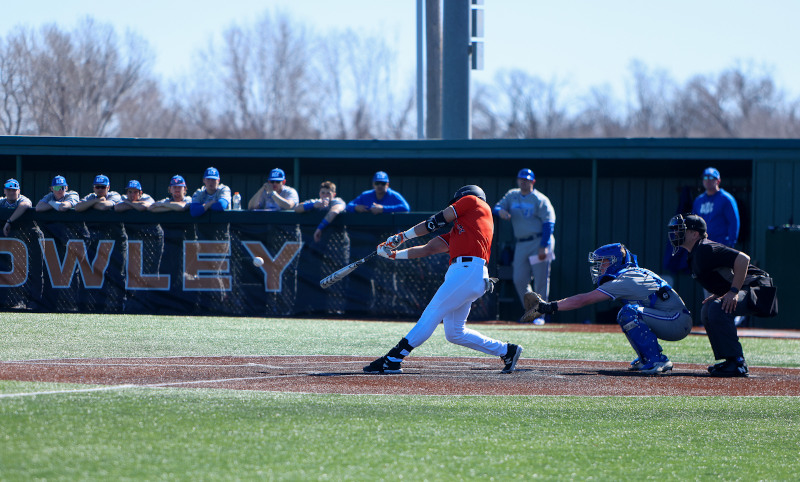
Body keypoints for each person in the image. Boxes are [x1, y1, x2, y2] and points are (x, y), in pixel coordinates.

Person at [363, 185, 523, 375]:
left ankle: (393, 359)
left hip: (467, 272)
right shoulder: (463, 231)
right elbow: (427, 249)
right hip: (467, 274)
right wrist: (393, 255)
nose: (454, 207)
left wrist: (401, 237)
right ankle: (507, 350)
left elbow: (435, 222)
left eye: (455, 204)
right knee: (455, 332)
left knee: (432, 313)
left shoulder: (472, 201)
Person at [520, 243, 692, 375]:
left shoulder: (625, 279)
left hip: (675, 320)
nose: (599, 267)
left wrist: (548, 307)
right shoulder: (632, 273)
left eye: (603, 262)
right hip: (673, 317)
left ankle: (657, 360)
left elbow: (584, 299)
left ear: (614, 261)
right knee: (629, 312)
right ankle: (647, 358)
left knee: (629, 313)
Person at [668, 213, 774, 377]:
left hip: (759, 288)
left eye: (681, 229)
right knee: (708, 309)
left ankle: (738, 362)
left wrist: (733, 292)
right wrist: (721, 293)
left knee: (718, 308)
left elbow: (743, 259)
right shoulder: (695, 253)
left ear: (694, 234)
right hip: (748, 287)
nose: (676, 233)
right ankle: (729, 360)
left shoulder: (705, 248)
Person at [494, 168, 556, 325]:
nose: (523, 182)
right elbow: (497, 207)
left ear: (532, 181)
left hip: (539, 240)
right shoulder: (512, 195)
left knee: (541, 279)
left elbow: (549, 223)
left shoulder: (539, 199)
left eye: (527, 180)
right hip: (521, 242)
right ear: (517, 180)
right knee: (519, 279)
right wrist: (501, 212)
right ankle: (532, 311)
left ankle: (541, 315)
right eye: (521, 179)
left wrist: (544, 245)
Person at [692, 167, 740, 247]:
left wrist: (731, 242)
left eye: (711, 178)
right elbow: (694, 222)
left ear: (718, 181)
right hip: (702, 245)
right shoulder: (698, 200)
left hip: (720, 244)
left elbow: (733, 222)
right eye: (705, 178)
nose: (708, 180)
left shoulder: (726, 199)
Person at [346, 171, 410, 214]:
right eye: (377, 183)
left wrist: (383, 209)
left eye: (383, 183)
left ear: (387, 184)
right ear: (373, 184)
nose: (380, 186)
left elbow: (406, 208)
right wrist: (356, 207)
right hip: (368, 227)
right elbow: (348, 206)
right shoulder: (366, 195)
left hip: (389, 228)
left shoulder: (394, 195)